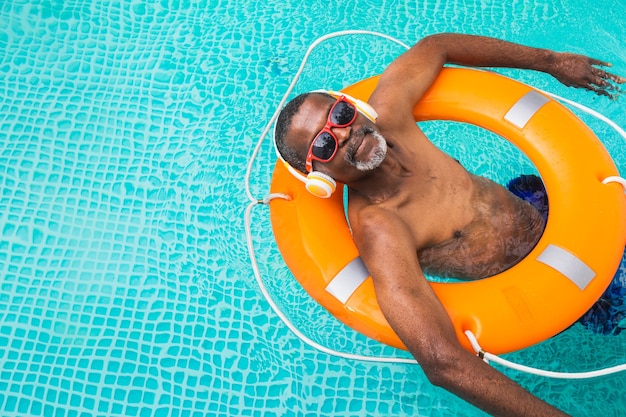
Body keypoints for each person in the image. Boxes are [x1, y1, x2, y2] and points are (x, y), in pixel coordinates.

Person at [273, 33, 624, 417]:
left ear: (353, 107)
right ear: (319, 177)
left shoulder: (391, 115)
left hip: (537, 203)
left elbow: (434, 46)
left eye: (339, 116)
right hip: (547, 278)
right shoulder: (383, 228)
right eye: (324, 146)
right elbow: (440, 361)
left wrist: (553, 60)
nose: (344, 134)